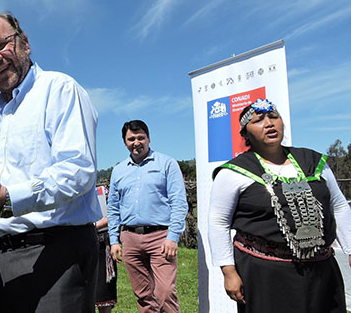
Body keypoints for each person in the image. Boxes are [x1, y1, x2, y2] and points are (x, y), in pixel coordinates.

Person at [0, 12, 102, 312]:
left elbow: (77, 171)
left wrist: (6, 199)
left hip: (57, 256)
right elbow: (0, 193)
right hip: (6, 262)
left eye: (0, 45)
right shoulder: (1, 119)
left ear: (24, 42)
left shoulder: (59, 89)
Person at [208, 98, 351, 313]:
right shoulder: (233, 172)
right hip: (265, 272)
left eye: (274, 117)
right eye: (258, 120)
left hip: (321, 269)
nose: (269, 123)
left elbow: (338, 206)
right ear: (245, 134)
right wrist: (229, 272)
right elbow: (218, 222)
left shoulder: (313, 161)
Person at [106, 120, 188, 313]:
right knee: (143, 296)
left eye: (141, 137)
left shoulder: (167, 163)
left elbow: (179, 202)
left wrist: (173, 236)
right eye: (131, 138)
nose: (136, 142)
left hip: (161, 237)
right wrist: (114, 240)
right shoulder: (118, 171)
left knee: (165, 292)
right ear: (125, 142)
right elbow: (113, 208)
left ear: (149, 138)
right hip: (130, 238)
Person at [94, 185, 117, 313]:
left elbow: (114, 214)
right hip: (79, 244)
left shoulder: (104, 191)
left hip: (102, 243)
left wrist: (94, 226)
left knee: (103, 291)